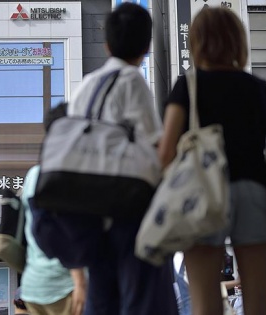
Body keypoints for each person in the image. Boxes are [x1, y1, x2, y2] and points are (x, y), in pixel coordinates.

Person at [159, 7, 266, 315]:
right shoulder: (261, 89)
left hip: (201, 193)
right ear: (237, 41)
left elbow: (165, 153)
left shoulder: (187, 86)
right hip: (255, 191)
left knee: (205, 305)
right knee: (260, 305)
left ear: (197, 42)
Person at [67, 3, 177, 314]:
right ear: (146, 45)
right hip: (127, 213)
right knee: (143, 299)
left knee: (102, 299)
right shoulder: (132, 81)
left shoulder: (86, 86)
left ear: (107, 44)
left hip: (89, 212)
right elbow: (156, 148)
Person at [20, 103, 87, 315]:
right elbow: (63, 230)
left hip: (34, 285)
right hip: (64, 286)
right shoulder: (66, 174)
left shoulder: (34, 174)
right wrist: (80, 281)